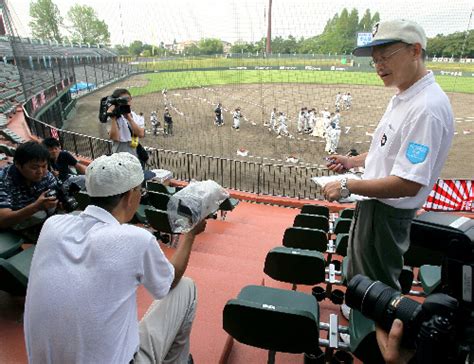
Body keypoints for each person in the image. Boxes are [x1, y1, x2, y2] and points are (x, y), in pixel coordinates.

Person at [322, 19, 454, 361]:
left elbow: (408, 181)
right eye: (375, 57)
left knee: (381, 293)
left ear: (415, 50)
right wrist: (353, 164)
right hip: (374, 202)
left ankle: (380, 353)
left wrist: (349, 184)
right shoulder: (404, 96)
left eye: (386, 55)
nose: (378, 64)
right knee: (363, 277)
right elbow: (386, 151)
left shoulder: (426, 108)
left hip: (388, 210)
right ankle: (363, 326)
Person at [24, 152, 206, 364]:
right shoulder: (136, 239)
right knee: (186, 287)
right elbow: (169, 282)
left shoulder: (52, 226)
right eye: (141, 189)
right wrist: (191, 234)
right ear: (130, 195)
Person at [0, 141, 58, 239]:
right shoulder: (3, 180)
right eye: (34, 167)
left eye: (44, 166)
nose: (40, 172)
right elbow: (2, 220)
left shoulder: (47, 175)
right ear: (18, 164)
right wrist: (36, 207)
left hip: (40, 223)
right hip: (13, 230)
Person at [107, 88, 145, 158]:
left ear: (131, 99)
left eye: (127, 98)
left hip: (134, 155)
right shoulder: (113, 118)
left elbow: (141, 134)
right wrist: (113, 118)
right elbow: (115, 138)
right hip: (119, 157)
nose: (126, 101)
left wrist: (129, 118)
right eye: (122, 100)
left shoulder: (137, 117)